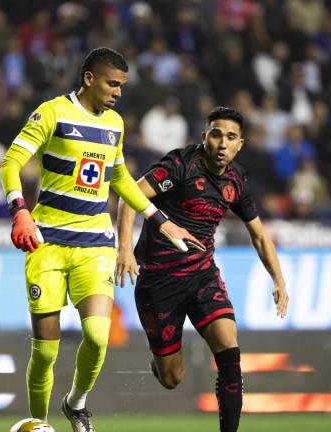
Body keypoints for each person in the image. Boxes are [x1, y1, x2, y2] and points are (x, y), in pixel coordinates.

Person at [0, 47, 202, 432]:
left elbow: (119, 177)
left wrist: (158, 219)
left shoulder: (115, 124)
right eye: (112, 84)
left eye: (122, 86)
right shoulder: (52, 113)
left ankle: (76, 403)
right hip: (48, 243)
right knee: (45, 352)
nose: (118, 93)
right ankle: (38, 424)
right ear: (90, 78)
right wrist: (19, 210)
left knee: (97, 334)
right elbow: (10, 161)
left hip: (95, 242)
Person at [115, 107, 289, 432]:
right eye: (216, 134)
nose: (223, 143)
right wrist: (125, 250)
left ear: (241, 144)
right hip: (158, 281)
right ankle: (160, 360)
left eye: (231, 137)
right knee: (171, 378)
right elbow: (129, 198)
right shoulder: (180, 165)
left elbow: (260, 235)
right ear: (205, 137)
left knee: (228, 347)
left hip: (202, 274)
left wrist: (278, 280)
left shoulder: (236, 180)